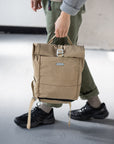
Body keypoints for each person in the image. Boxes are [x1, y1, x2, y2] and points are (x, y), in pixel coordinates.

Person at [14, 0, 109, 128]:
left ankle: (45, 109)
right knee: (69, 55)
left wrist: (65, 13)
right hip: (53, 4)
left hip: (63, 5)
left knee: (58, 55)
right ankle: (95, 105)